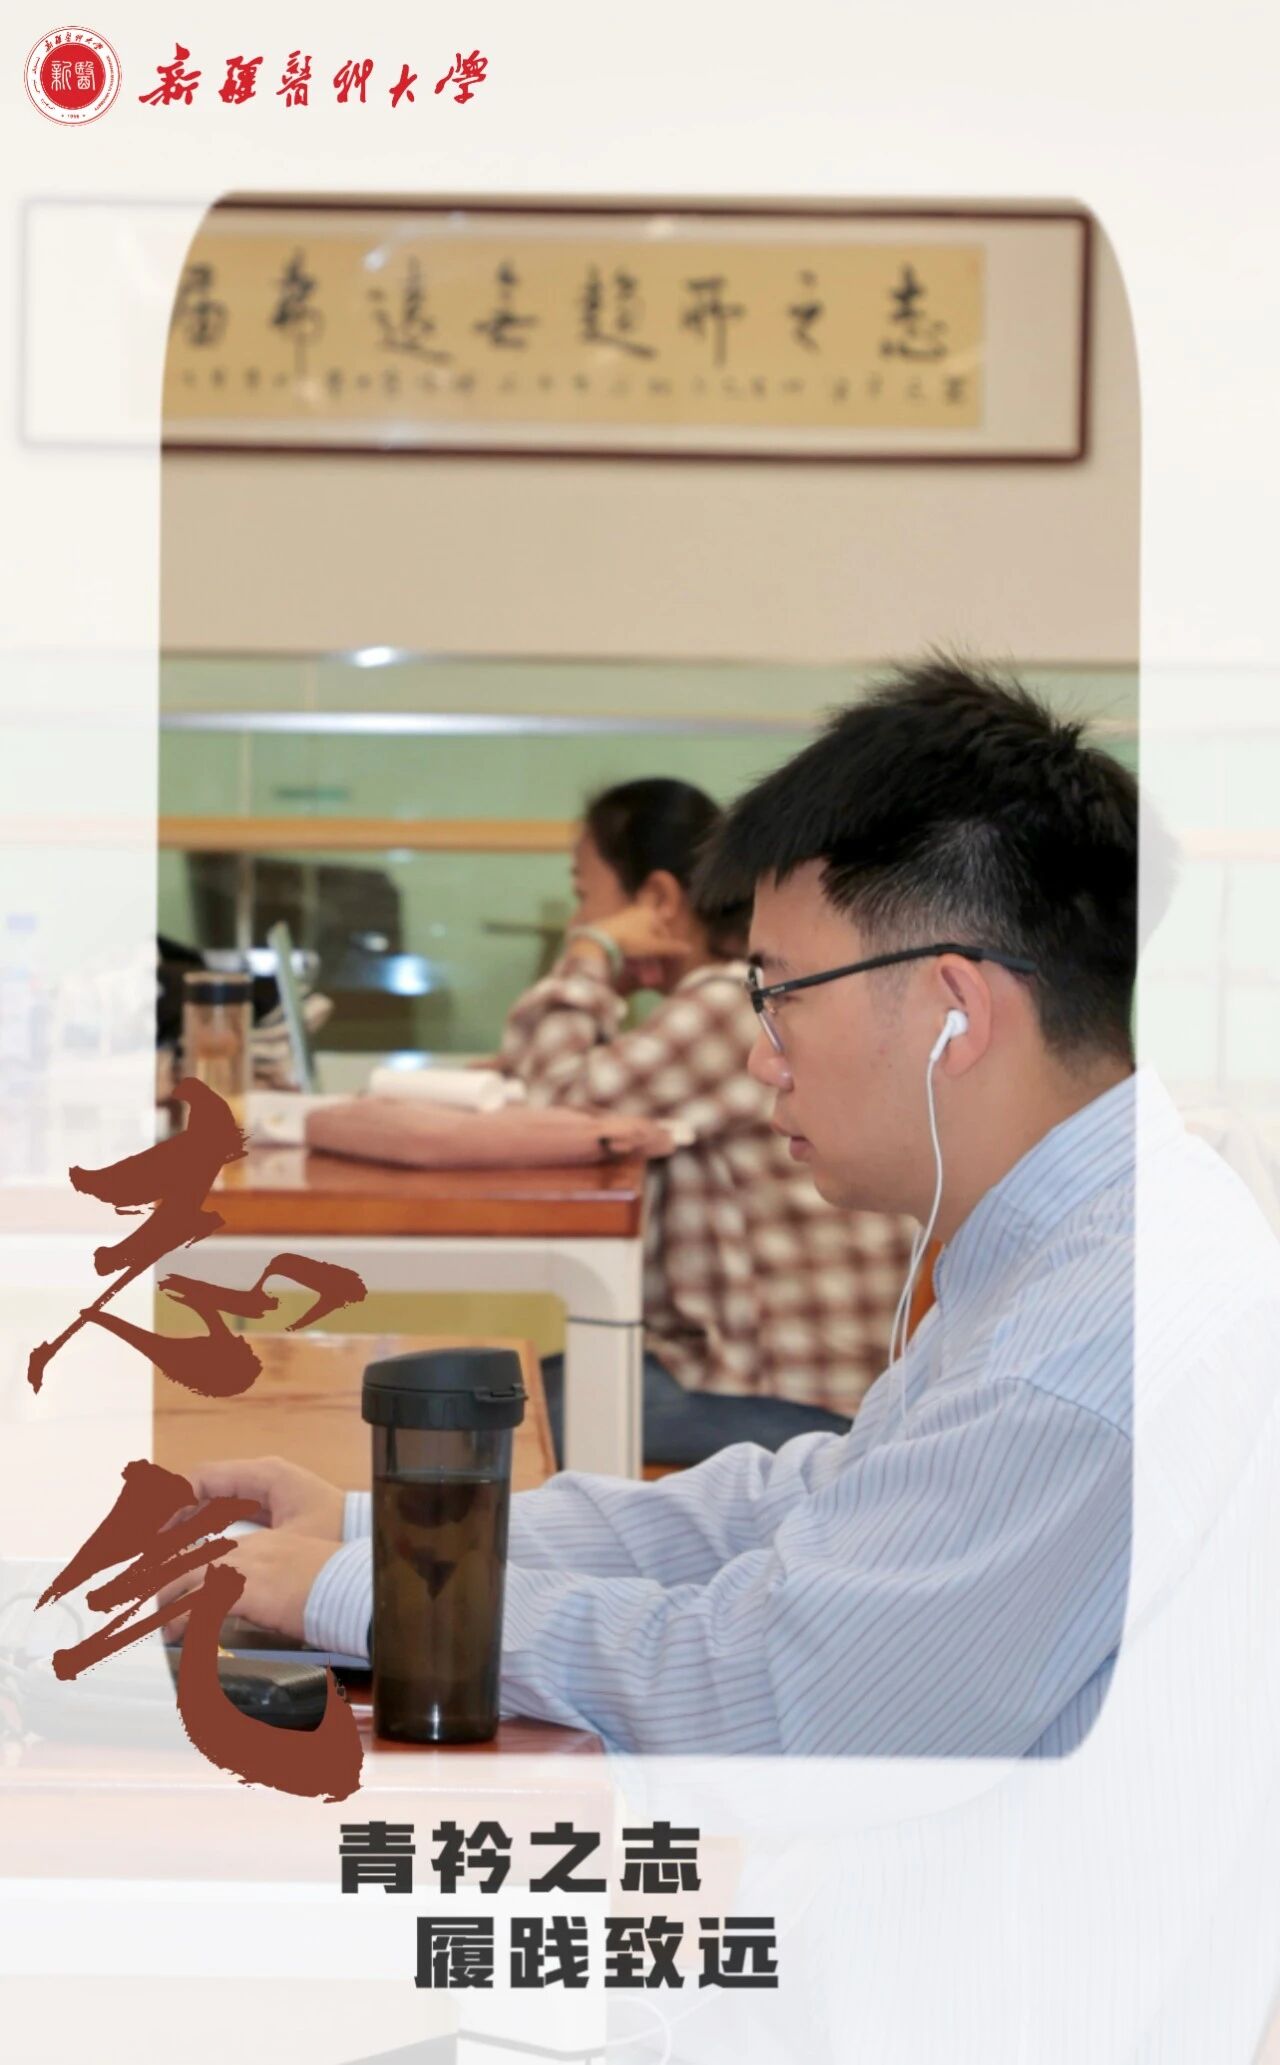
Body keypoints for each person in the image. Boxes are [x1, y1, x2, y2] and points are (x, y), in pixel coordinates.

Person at [167, 660, 1279, 1758]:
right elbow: (787, 1510)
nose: (760, 1055)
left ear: (956, 1011)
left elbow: (774, 1691)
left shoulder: (1081, 1343)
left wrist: (361, 1590)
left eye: (780, 993)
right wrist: (374, 1529)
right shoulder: (1079, 1241)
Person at [496, 776, 914, 1466]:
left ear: (659, 899)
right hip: (759, 1371)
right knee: (488, 1394)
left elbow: (551, 1107)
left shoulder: (725, 1003)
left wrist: (592, 954)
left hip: (786, 1392)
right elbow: (543, 1075)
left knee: (490, 1421)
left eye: (585, 897)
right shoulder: (739, 996)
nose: (579, 919)